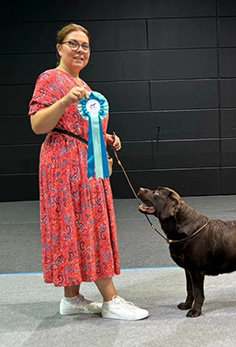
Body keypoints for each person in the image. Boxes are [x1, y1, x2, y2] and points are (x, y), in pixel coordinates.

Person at [28, 23, 148, 320]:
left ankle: (71, 299)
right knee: (85, 225)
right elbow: (38, 125)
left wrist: (107, 140)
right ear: (59, 48)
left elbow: (82, 130)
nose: (80, 50)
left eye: (85, 46)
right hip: (63, 166)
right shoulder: (50, 79)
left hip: (84, 164)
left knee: (75, 224)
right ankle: (111, 299)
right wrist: (67, 99)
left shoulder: (86, 86)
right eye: (73, 43)